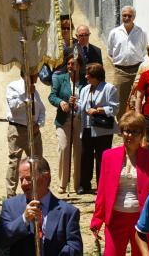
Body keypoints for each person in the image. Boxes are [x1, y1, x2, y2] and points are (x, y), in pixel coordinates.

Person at [90, 111, 149, 256]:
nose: (129, 135)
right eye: (126, 130)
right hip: (115, 217)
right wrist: (97, 219)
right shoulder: (108, 156)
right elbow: (102, 191)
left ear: (142, 134)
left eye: (134, 132)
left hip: (142, 220)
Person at [0, 157, 83, 255]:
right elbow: (0, 241)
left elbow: (75, 248)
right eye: (21, 179)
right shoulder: (11, 206)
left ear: (46, 177)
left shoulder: (68, 212)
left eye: (29, 179)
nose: (23, 184)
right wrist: (24, 220)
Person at [78, 63, 118, 194]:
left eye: (88, 75)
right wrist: (75, 105)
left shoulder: (109, 88)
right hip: (87, 127)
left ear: (96, 76)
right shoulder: (85, 89)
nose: (86, 77)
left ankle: (102, 185)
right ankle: (85, 184)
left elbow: (114, 108)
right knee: (85, 156)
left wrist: (98, 110)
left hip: (103, 129)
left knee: (102, 157)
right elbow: (81, 106)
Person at [5, 70, 46, 198]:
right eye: (35, 73)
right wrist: (27, 94)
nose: (38, 75)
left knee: (37, 162)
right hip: (18, 130)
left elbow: (42, 110)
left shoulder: (35, 90)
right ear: (27, 74)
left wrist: (39, 124)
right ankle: (11, 195)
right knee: (15, 162)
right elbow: (13, 107)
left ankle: (37, 192)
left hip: (34, 131)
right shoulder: (13, 86)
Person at [48, 53, 84, 194]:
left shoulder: (85, 81)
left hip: (79, 120)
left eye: (73, 64)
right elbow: (52, 96)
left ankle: (77, 184)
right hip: (63, 120)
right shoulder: (60, 78)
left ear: (79, 66)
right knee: (64, 148)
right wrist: (61, 102)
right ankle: (63, 183)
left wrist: (78, 105)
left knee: (78, 151)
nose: (70, 66)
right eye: (68, 64)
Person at [107, 6, 148, 120]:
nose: (126, 18)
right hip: (121, 71)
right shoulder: (114, 32)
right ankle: (122, 123)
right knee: (120, 98)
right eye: (124, 15)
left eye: (129, 16)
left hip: (138, 71)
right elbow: (110, 52)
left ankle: (137, 122)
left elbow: (144, 51)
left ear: (134, 17)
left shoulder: (141, 32)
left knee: (138, 97)